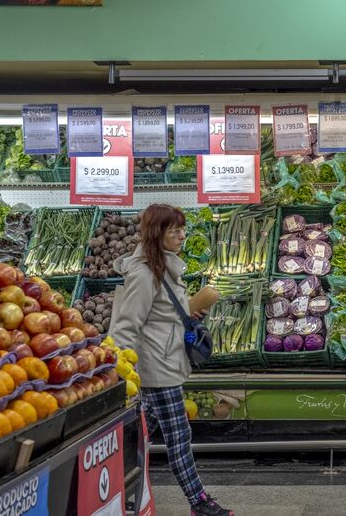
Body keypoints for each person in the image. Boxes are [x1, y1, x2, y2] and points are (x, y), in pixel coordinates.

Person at [111, 204, 233, 516]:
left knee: (140, 436)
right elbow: (125, 327)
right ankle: (199, 502)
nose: (182, 235)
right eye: (174, 230)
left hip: (165, 361)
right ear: (157, 233)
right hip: (154, 367)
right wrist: (122, 377)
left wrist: (190, 312)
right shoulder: (143, 275)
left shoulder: (163, 268)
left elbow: (161, 315)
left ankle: (117, 490)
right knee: (179, 436)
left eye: (182, 229)